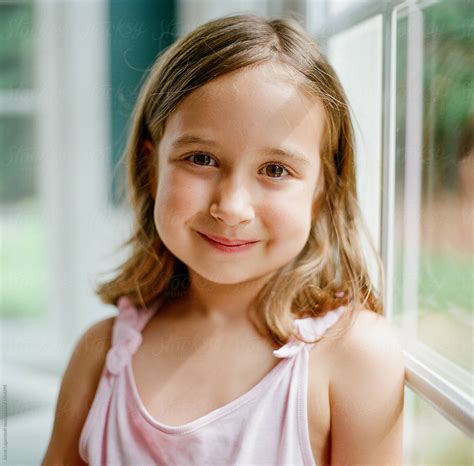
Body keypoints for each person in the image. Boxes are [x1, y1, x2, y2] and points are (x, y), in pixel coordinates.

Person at [41, 13, 405, 466]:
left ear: (321, 190)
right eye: (201, 158)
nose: (231, 206)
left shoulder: (354, 358)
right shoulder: (99, 354)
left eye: (275, 170)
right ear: (152, 169)